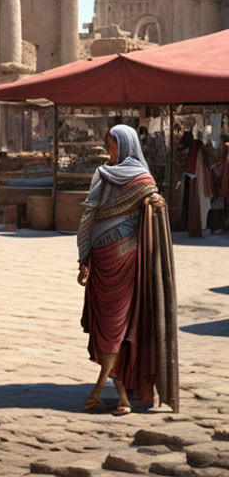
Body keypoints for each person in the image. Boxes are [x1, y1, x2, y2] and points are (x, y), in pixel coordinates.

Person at [76, 124, 178, 415]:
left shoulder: (106, 176)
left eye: (112, 145)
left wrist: (83, 255)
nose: (109, 151)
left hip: (120, 261)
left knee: (114, 325)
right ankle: (117, 394)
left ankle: (104, 393)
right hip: (115, 259)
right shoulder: (144, 180)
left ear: (125, 145)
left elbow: (88, 218)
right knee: (116, 324)